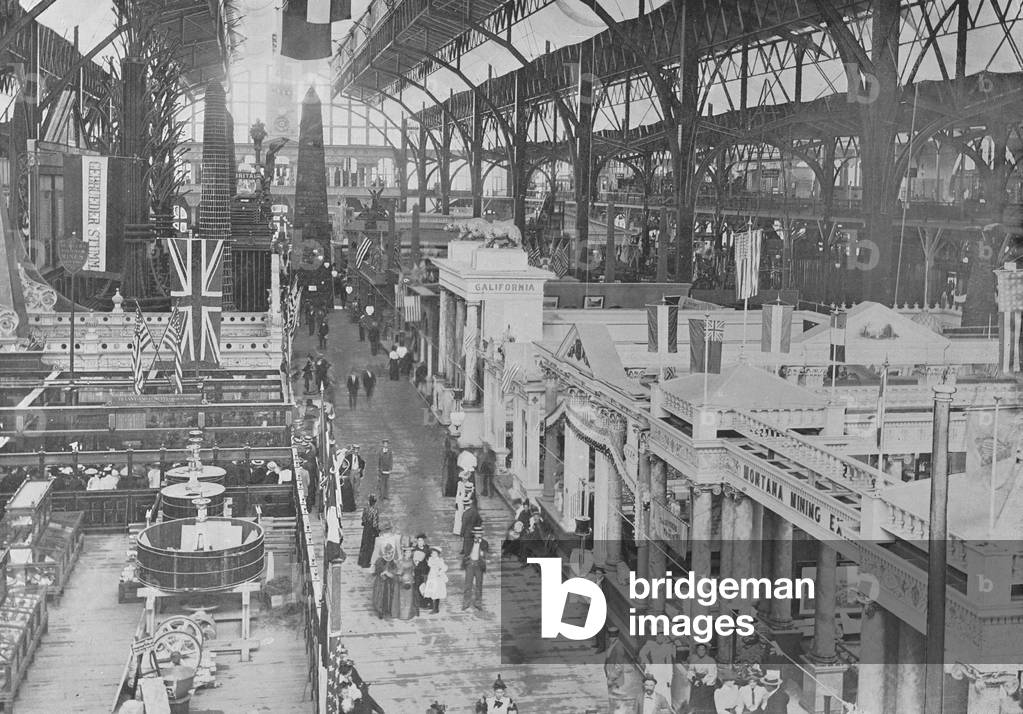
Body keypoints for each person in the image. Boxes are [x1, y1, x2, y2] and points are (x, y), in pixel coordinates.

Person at [639, 633, 675, 703]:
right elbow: (642, 653)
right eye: (658, 636)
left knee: (665, 691)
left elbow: (669, 663)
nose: (660, 638)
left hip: (663, 671)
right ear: (656, 637)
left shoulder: (667, 647)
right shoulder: (650, 644)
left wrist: (669, 679)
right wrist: (648, 665)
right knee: (653, 689)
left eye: (662, 636)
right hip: (653, 670)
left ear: (664, 638)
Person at [461, 524, 489, 612]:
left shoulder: (484, 543)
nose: (478, 535)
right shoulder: (469, 542)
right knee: (468, 585)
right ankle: (466, 603)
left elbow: (486, 554)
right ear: (474, 534)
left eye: (479, 533)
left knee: (479, 585)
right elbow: (466, 553)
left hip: (479, 566)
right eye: (476, 533)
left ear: (481, 534)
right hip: (470, 565)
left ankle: (478, 603)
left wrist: (483, 554)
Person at [687, 643, 719, 714]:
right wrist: (693, 678)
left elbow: (712, 675)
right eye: (699, 649)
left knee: (706, 706)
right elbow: (690, 670)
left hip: (706, 686)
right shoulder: (694, 660)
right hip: (696, 684)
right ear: (697, 650)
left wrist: (702, 681)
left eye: (703, 650)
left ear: (705, 651)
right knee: (694, 704)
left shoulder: (711, 661)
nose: (701, 651)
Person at [371, 542, 399, 619]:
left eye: (389, 553)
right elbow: (377, 571)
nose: (387, 555)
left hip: (389, 582)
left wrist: (388, 573)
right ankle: (380, 611)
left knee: (389, 595)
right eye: (386, 553)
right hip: (380, 582)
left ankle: (387, 609)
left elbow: (394, 572)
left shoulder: (393, 562)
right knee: (380, 596)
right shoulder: (379, 560)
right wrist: (381, 573)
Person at [604, 626, 629, 706]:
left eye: (612, 636)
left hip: (615, 675)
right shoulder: (612, 644)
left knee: (615, 699)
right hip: (611, 672)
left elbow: (619, 665)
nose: (610, 638)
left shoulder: (618, 647)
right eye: (610, 636)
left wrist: (612, 677)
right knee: (612, 697)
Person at [420, 546, 447, 614]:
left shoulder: (439, 560)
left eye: (435, 553)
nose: (433, 554)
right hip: (431, 578)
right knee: (431, 591)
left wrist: (439, 572)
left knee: (436, 593)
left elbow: (444, 568)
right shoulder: (431, 559)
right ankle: (432, 606)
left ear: (438, 554)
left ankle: (436, 609)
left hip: (437, 579)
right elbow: (430, 566)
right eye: (432, 553)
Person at [357, 496, 380, 568]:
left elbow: (363, 520)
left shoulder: (365, 509)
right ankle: (368, 561)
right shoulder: (375, 510)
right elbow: (375, 523)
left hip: (366, 529)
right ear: (374, 502)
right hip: (371, 530)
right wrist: (377, 530)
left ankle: (362, 561)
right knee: (370, 545)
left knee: (364, 544)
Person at [396, 545, 418, 620]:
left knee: (409, 598)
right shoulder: (400, 561)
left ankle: (408, 614)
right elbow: (399, 572)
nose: (409, 553)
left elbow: (414, 570)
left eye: (410, 552)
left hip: (411, 580)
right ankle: (403, 615)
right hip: (403, 580)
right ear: (404, 553)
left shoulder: (412, 561)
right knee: (402, 598)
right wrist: (401, 580)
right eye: (407, 552)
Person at [411, 534, 431, 609]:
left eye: (422, 540)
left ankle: (426, 602)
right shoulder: (414, 550)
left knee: (426, 586)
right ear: (417, 542)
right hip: (417, 570)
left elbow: (429, 559)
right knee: (417, 586)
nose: (420, 542)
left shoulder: (427, 549)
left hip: (425, 570)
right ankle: (419, 602)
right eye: (419, 541)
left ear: (424, 541)